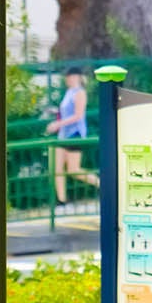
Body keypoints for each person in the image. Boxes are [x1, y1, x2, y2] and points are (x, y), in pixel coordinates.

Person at [45, 67, 98, 206]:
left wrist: (57, 124)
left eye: (70, 76)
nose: (67, 78)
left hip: (74, 134)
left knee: (73, 170)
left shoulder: (80, 93)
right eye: (67, 76)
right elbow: (67, 111)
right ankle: (62, 200)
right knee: (57, 169)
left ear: (77, 77)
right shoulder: (69, 92)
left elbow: (78, 115)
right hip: (63, 134)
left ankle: (102, 185)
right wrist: (56, 112)